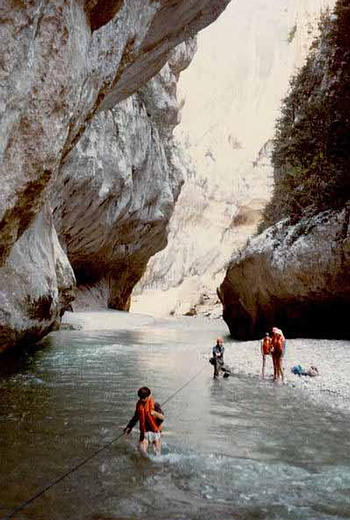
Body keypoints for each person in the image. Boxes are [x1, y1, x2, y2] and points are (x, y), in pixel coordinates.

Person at [124, 386, 164, 456]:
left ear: (148, 396)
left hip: (156, 433)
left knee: (158, 456)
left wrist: (155, 413)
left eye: (143, 398)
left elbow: (162, 417)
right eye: (140, 398)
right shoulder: (139, 405)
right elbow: (135, 418)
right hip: (145, 433)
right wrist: (129, 427)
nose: (142, 399)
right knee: (142, 454)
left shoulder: (155, 405)